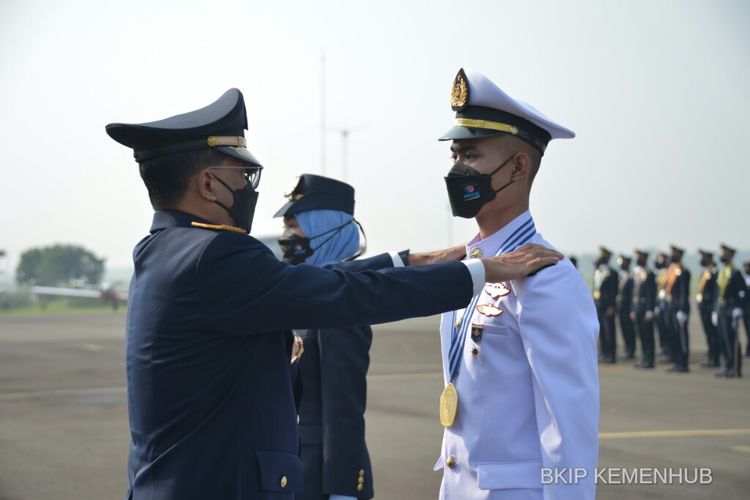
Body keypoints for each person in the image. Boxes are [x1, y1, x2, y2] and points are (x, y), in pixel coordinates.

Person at [105, 88, 561, 500]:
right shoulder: (216, 256)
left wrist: (409, 260)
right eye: (242, 176)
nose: (248, 189)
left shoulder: (164, 250)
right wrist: (483, 270)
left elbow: (322, 286)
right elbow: (341, 293)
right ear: (207, 184)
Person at [434, 68, 599, 500]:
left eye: (470, 155)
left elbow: (570, 433)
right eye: (454, 155)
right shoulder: (470, 265)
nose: (457, 168)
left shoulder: (547, 280)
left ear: (518, 167)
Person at [274, 174, 376, 500]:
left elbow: (343, 406)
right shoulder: (306, 290)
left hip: (319, 477)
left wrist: (343, 490)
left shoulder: (341, 296)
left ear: (323, 226)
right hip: (290, 469)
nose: (286, 236)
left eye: (294, 226)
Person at [715, 244, 747, 378]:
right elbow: (718, 292)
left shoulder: (736, 273)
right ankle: (728, 366)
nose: (722, 256)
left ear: (730, 256)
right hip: (722, 309)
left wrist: (739, 307)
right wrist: (715, 310)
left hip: (731, 309)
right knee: (723, 338)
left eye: (725, 253)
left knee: (732, 339)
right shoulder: (722, 272)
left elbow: (743, 292)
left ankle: (735, 368)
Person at [665, 245, 690, 373]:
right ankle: (677, 361)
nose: (671, 255)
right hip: (671, 307)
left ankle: (683, 363)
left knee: (681, 337)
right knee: (673, 336)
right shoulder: (672, 270)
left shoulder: (683, 271)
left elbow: (684, 293)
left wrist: (682, 309)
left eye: (674, 253)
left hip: (679, 309)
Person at [593, 246, 619, 363]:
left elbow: (614, 291)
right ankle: (603, 352)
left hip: (607, 305)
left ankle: (611, 354)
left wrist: (612, 306)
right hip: (598, 304)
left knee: (610, 331)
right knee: (601, 330)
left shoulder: (612, 273)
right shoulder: (597, 272)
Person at [631, 249, 656, 368]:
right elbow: (635, 293)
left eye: (639, 257)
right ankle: (644, 358)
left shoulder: (649, 274)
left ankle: (650, 359)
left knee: (648, 335)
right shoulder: (637, 273)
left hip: (646, 309)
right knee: (641, 335)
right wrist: (633, 309)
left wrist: (650, 310)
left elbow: (651, 294)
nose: (637, 259)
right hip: (638, 309)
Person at [696, 249, 720, 368]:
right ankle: (711, 356)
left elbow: (716, 292)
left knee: (713, 334)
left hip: (710, 307)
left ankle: (715, 359)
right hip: (704, 307)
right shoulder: (705, 272)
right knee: (708, 334)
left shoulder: (714, 272)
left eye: (703, 257)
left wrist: (714, 309)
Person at [653, 252, 672, 362]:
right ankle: (664, 349)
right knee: (660, 328)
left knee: (667, 328)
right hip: (659, 303)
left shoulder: (668, 273)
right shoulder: (659, 273)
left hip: (666, 304)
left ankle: (669, 351)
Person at [617, 254, 636, 360]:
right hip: (621, 307)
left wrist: (632, 309)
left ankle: (631, 350)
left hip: (628, 307)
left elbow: (632, 294)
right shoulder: (621, 276)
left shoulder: (631, 277)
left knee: (630, 330)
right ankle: (627, 349)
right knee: (624, 329)